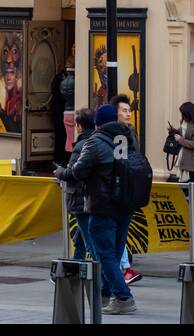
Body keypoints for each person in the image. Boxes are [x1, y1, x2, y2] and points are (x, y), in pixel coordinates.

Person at [56, 103, 138, 315]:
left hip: (102, 205)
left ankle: (123, 297)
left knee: (104, 254)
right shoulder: (129, 139)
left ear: (98, 124)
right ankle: (104, 295)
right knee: (116, 250)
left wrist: (60, 173)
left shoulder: (96, 141)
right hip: (125, 204)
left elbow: (77, 172)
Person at [110, 94, 142, 285]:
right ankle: (122, 267)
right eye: (124, 110)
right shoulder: (118, 133)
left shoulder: (129, 131)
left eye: (129, 110)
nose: (128, 113)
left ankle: (122, 267)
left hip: (125, 187)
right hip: (118, 187)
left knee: (117, 230)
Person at [57, 108, 96, 260]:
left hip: (80, 199)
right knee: (80, 240)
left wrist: (60, 172)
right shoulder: (96, 141)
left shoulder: (80, 146)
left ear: (80, 126)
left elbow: (72, 173)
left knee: (90, 244)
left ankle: (103, 278)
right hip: (91, 196)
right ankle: (75, 270)